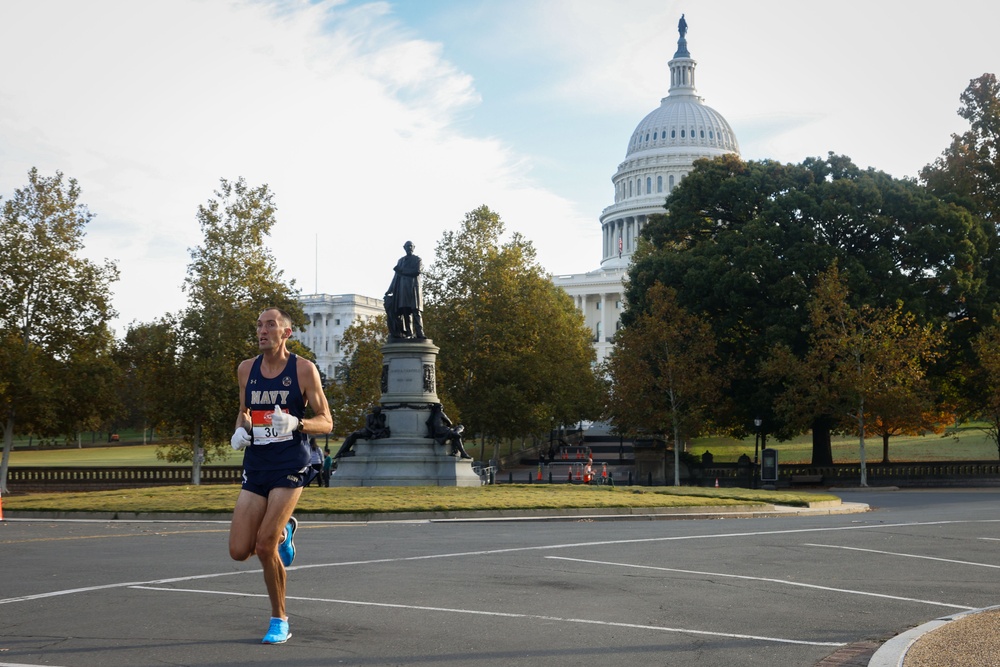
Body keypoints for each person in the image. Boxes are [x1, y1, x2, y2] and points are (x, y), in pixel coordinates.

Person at [228, 307, 333, 645]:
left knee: (263, 546)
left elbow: (327, 420)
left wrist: (297, 423)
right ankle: (286, 528)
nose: (262, 330)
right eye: (259, 325)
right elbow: (244, 411)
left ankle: (279, 619)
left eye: (270, 325)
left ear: (286, 333)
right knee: (238, 550)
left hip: (291, 463)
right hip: (257, 462)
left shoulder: (303, 370)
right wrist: (239, 431)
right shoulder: (246, 369)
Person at [384, 240, 424, 339]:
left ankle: (420, 333)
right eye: (407, 246)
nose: (409, 248)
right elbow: (395, 277)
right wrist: (389, 290)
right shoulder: (400, 261)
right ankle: (409, 333)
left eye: (411, 246)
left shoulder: (417, 259)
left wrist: (401, 270)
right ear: (404, 248)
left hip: (414, 288)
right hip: (403, 289)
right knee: (406, 312)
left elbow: (417, 271)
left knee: (416, 311)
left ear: (414, 247)